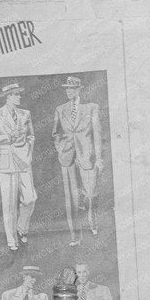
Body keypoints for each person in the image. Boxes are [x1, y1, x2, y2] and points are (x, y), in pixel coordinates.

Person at [53, 75, 104, 244]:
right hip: (67, 157)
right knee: (71, 198)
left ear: (79, 89)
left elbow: (97, 134)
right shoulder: (60, 109)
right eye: (66, 88)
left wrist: (99, 158)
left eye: (72, 88)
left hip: (87, 155)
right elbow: (56, 133)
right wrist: (60, 147)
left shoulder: (91, 107)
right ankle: (75, 236)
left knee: (90, 193)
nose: (68, 91)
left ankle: (92, 222)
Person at [0, 81, 36, 253]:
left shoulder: (25, 114)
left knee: (30, 198)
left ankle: (22, 228)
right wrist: (7, 136)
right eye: (16, 94)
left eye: (19, 94)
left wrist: (28, 153)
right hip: (6, 162)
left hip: (24, 161)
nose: (19, 96)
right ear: (8, 97)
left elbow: (31, 136)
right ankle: (11, 239)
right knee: (8, 204)